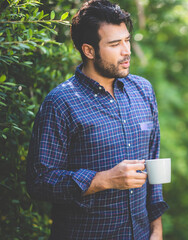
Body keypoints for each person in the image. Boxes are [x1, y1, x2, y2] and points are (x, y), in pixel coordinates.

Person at [26, 0, 168, 239]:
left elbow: (154, 163)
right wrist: (104, 179)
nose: (127, 51)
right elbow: (39, 182)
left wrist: (157, 229)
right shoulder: (61, 102)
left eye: (127, 40)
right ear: (89, 50)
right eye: (115, 44)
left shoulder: (143, 90)